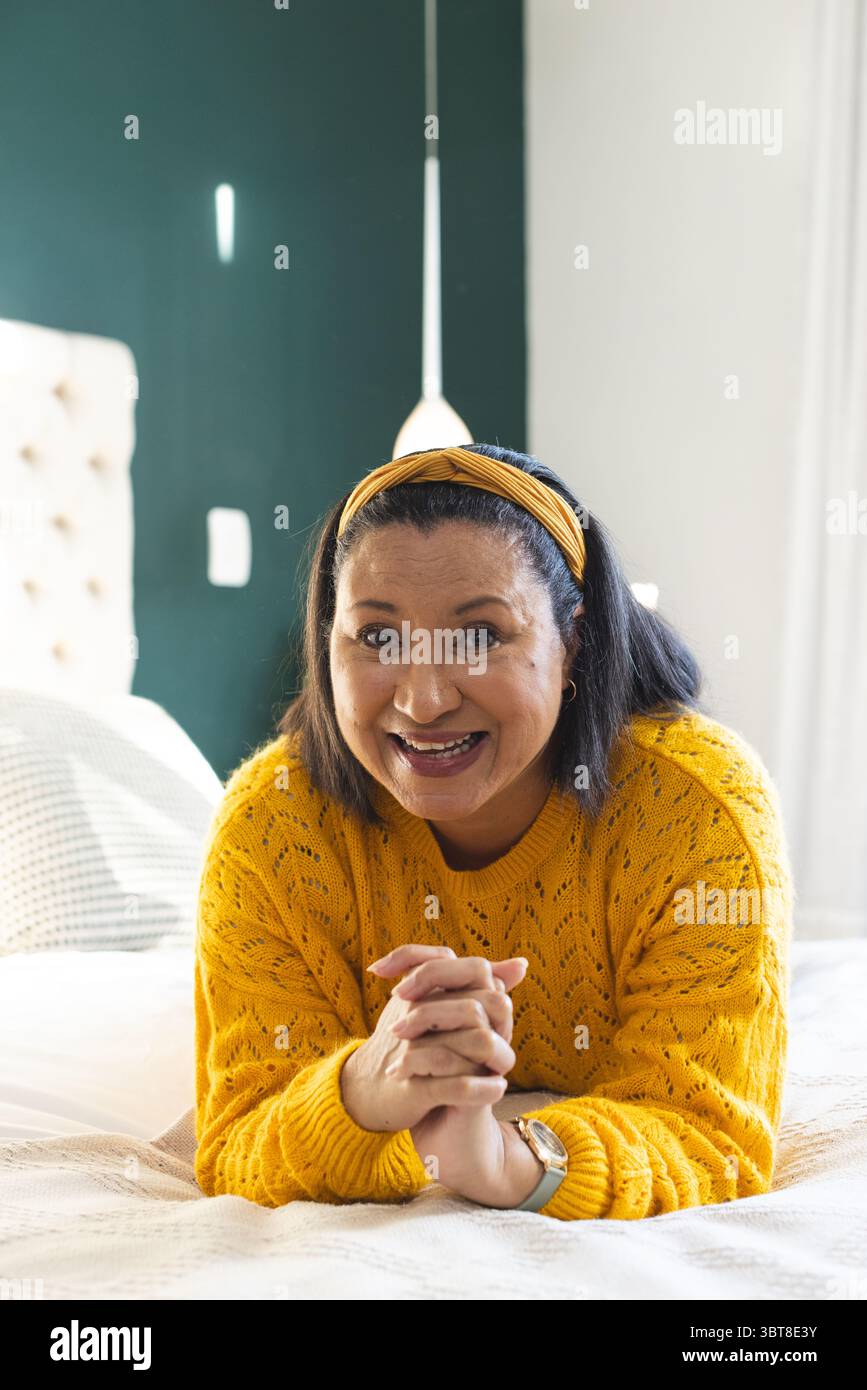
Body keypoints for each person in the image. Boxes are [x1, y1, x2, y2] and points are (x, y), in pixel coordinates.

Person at [193, 443, 793, 1220]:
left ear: (571, 643)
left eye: (479, 638)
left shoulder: (698, 812)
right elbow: (241, 1131)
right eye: (377, 638)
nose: (423, 700)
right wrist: (363, 1090)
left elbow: (709, 1131)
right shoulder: (272, 823)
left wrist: (505, 1159)